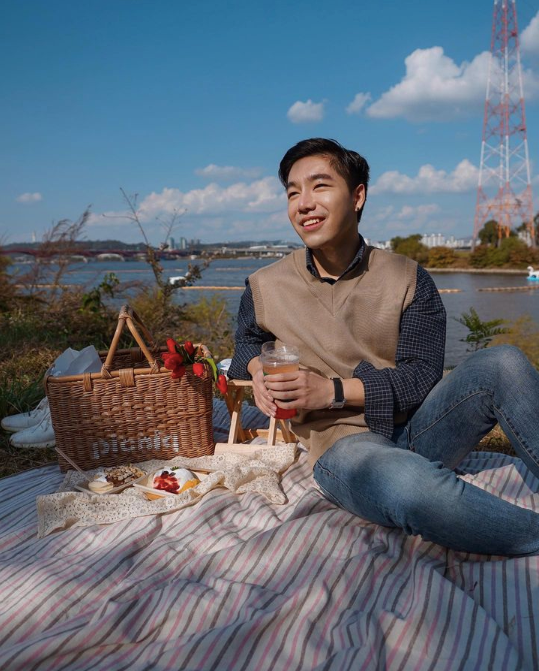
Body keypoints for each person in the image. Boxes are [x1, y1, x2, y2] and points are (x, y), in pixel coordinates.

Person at [228, 137, 539, 556]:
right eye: (292, 192)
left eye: (319, 186)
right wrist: (257, 372)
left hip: (422, 427)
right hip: (343, 445)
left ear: (357, 197)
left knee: (503, 361)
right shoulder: (265, 285)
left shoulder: (407, 276)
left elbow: (421, 376)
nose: (303, 203)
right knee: (412, 486)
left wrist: (331, 391)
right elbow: (246, 343)